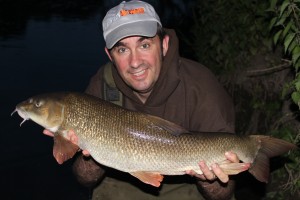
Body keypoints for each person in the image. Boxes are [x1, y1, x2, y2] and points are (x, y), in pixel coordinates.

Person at [44, 1, 242, 199]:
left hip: (187, 188)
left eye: (144, 45)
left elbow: (222, 194)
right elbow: (84, 179)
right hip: (120, 185)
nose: (135, 62)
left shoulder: (200, 85)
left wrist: (208, 177)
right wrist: (94, 151)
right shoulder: (102, 85)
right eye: (122, 50)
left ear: (164, 45)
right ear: (110, 55)